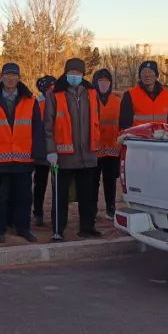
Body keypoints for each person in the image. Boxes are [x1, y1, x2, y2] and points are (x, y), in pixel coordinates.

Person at [0, 62, 44, 243]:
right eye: (7, 75)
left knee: (24, 197)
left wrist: (38, 152)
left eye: (14, 75)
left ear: (18, 78)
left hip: (23, 159)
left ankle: (23, 228)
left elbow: (37, 129)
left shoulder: (30, 100)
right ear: (2, 77)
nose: (11, 78)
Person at [43, 58, 102, 240]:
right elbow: (48, 125)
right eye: (71, 73)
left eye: (78, 73)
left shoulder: (91, 92)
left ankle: (87, 227)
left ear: (83, 74)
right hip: (63, 156)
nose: (74, 76)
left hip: (87, 155)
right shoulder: (55, 93)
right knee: (60, 196)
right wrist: (51, 150)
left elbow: (95, 120)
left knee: (87, 196)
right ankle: (58, 230)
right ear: (65, 73)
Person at [93, 68, 123, 219]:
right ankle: (91, 209)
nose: (103, 84)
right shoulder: (90, 100)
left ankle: (111, 207)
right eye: (100, 81)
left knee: (110, 181)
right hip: (94, 149)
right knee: (92, 182)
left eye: (106, 81)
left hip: (112, 148)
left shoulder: (117, 101)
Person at [119, 60, 168, 128]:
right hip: (138, 137)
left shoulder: (167, 94)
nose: (147, 75)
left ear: (156, 75)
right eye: (143, 72)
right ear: (140, 76)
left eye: (150, 72)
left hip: (162, 136)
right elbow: (124, 124)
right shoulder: (129, 95)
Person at [31, 74, 56, 227]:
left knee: (56, 185)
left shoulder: (58, 101)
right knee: (40, 184)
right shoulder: (37, 103)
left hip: (56, 149)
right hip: (41, 151)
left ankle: (55, 214)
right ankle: (38, 213)